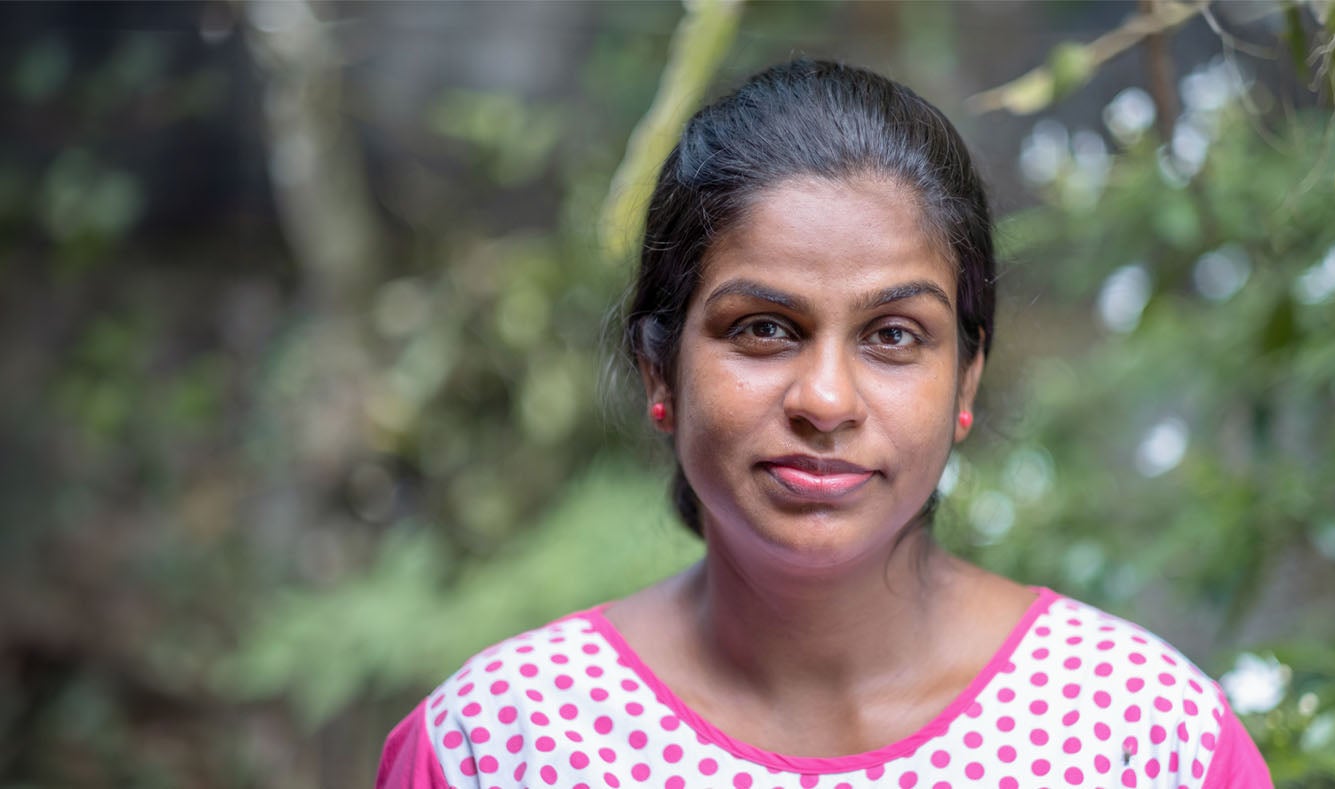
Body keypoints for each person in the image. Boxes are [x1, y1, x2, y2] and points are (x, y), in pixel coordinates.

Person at [376, 59, 1272, 789]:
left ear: (966, 377)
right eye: (763, 328)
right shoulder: (498, 746)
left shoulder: (1143, 740)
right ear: (661, 370)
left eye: (892, 335)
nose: (827, 399)